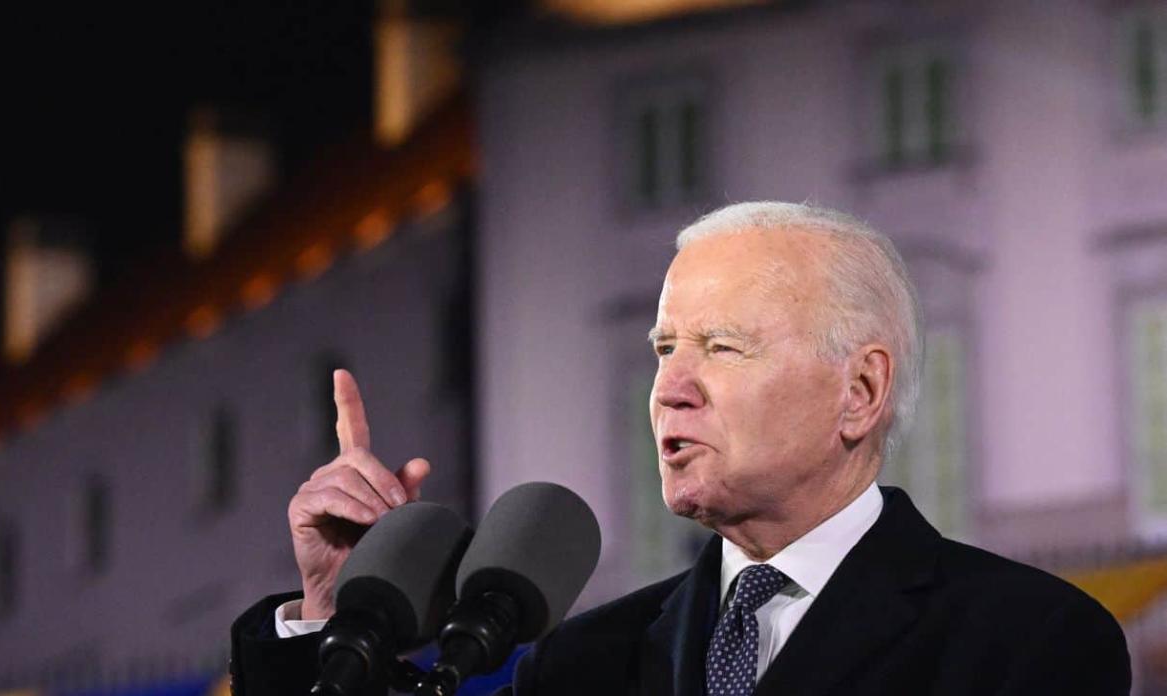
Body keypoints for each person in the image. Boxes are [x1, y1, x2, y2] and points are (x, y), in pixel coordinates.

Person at [229, 202, 1131, 695]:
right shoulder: (579, 667)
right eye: (664, 349)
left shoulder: (1029, 644)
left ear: (859, 393)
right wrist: (329, 613)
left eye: (723, 347)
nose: (668, 386)